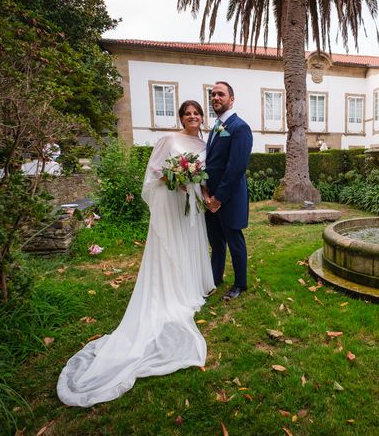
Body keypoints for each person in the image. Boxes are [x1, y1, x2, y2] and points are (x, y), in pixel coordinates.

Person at [57, 101, 215, 407]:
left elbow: (204, 174)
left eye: (197, 113)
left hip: (193, 202)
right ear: (181, 117)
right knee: (173, 244)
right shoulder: (168, 140)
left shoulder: (203, 142)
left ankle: (190, 285)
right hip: (172, 201)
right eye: (188, 114)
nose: (193, 117)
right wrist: (175, 179)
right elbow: (154, 172)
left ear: (201, 117)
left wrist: (202, 191)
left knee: (191, 241)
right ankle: (174, 290)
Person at [204, 81, 253, 300]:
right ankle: (216, 278)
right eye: (212, 94)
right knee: (216, 242)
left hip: (229, 197)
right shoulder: (215, 128)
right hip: (211, 198)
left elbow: (236, 167)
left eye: (220, 94)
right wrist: (208, 195)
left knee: (234, 241)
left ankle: (240, 284)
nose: (215, 98)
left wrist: (219, 198)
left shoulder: (239, 127)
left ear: (231, 99)